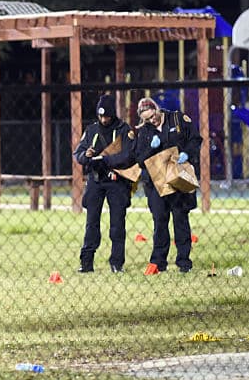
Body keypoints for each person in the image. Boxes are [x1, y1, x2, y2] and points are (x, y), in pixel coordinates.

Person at [134, 97, 202, 273]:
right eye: (147, 119)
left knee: (181, 218)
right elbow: (139, 159)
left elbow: (195, 139)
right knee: (160, 221)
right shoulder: (143, 131)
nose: (152, 120)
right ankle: (159, 262)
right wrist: (151, 147)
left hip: (177, 178)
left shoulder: (177, 119)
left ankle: (184, 262)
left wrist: (187, 153)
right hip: (155, 184)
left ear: (157, 109)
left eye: (153, 115)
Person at [73, 94, 136, 273]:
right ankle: (86, 263)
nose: (103, 119)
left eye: (106, 116)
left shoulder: (124, 129)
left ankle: (117, 264)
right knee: (91, 223)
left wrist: (106, 160)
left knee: (117, 224)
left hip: (116, 181)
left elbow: (129, 155)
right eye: (100, 116)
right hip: (95, 180)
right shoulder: (92, 130)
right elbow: (78, 153)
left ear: (112, 114)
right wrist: (86, 156)